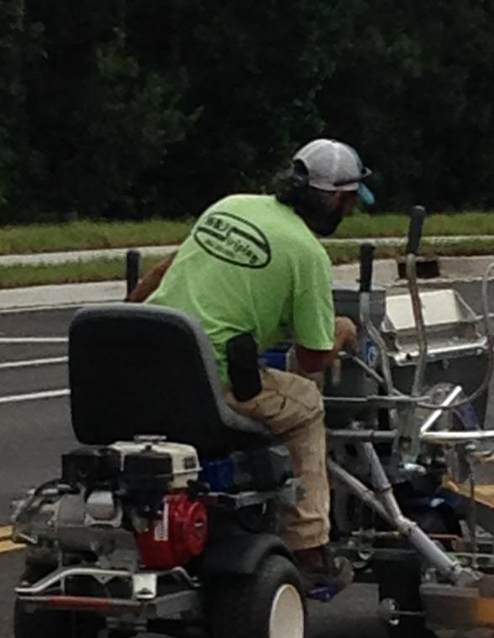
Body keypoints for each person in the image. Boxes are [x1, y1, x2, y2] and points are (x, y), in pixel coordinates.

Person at [139, 138, 374, 592]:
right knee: (306, 404)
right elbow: (312, 358)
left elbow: (165, 271)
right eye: (349, 202)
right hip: (212, 381)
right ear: (334, 200)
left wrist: (128, 316)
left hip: (150, 364)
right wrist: (344, 331)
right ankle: (310, 545)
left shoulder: (229, 207)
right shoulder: (307, 253)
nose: (350, 212)